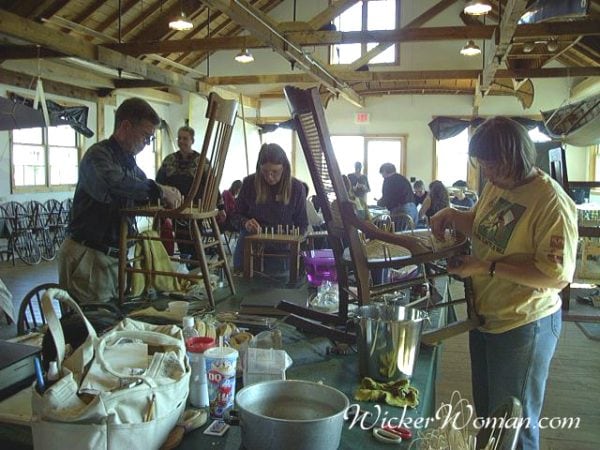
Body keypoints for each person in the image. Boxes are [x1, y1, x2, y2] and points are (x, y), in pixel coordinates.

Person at [430, 117, 578, 450]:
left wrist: (487, 266)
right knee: (489, 418)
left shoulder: (550, 201)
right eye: (483, 165)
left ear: (516, 158)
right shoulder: (498, 185)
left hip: (524, 322)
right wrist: (453, 214)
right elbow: (488, 229)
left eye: (493, 166)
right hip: (486, 316)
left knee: (516, 427)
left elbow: (555, 275)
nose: (488, 173)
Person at [59, 98, 182, 303]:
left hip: (113, 257)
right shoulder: (98, 156)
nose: (146, 143)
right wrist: (160, 191)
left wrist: (167, 193)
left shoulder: (128, 162)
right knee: (90, 328)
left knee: (111, 324)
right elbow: (116, 185)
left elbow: (142, 185)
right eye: (145, 136)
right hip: (88, 256)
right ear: (126, 126)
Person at [233, 143, 308, 273]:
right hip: (250, 245)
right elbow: (235, 216)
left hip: (281, 250)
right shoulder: (249, 183)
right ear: (259, 168)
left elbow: (303, 225)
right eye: (265, 172)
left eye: (275, 172)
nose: (269, 176)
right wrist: (245, 223)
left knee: (277, 287)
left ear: (284, 168)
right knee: (242, 285)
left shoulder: (296, 188)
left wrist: (292, 239)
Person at [156, 125, 225, 258]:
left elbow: (212, 185)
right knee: (179, 239)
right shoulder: (169, 160)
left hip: (195, 208)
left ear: (192, 140)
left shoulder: (201, 161)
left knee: (193, 240)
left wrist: (221, 207)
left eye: (185, 138)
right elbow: (159, 182)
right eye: (179, 138)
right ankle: (186, 262)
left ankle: (194, 265)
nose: (181, 141)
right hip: (174, 208)